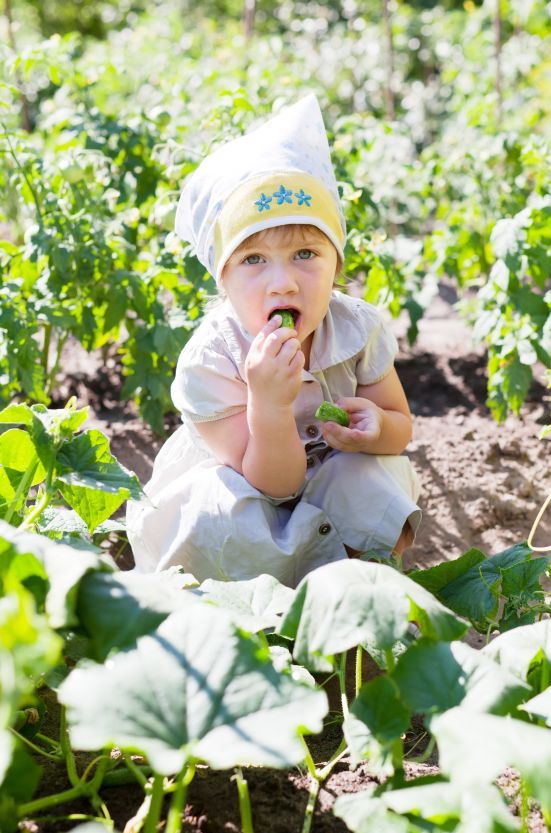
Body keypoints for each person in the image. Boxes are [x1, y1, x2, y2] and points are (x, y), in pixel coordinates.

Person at [125, 94, 421, 588]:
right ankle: (246, 611)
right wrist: (268, 404)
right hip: (250, 488)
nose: (282, 283)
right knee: (216, 515)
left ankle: (359, 591)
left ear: (337, 267)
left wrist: (378, 429)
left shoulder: (355, 329)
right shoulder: (212, 360)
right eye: (254, 260)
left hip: (326, 486)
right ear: (222, 280)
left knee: (373, 475)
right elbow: (272, 483)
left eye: (306, 253)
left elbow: (400, 427)